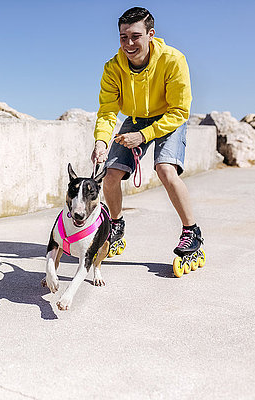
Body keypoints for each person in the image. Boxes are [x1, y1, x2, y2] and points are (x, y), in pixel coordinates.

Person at [90, 6, 203, 259]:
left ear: (150, 34)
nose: (128, 43)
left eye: (135, 36)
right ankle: (116, 226)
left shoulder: (173, 60)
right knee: (110, 174)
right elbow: (108, 111)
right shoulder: (112, 68)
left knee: (165, 169)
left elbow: (179, 112)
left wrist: (142, 136)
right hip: (135, 118)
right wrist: (100, 141)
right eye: (123, 37)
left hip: (169, 118)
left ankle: (191, 231)